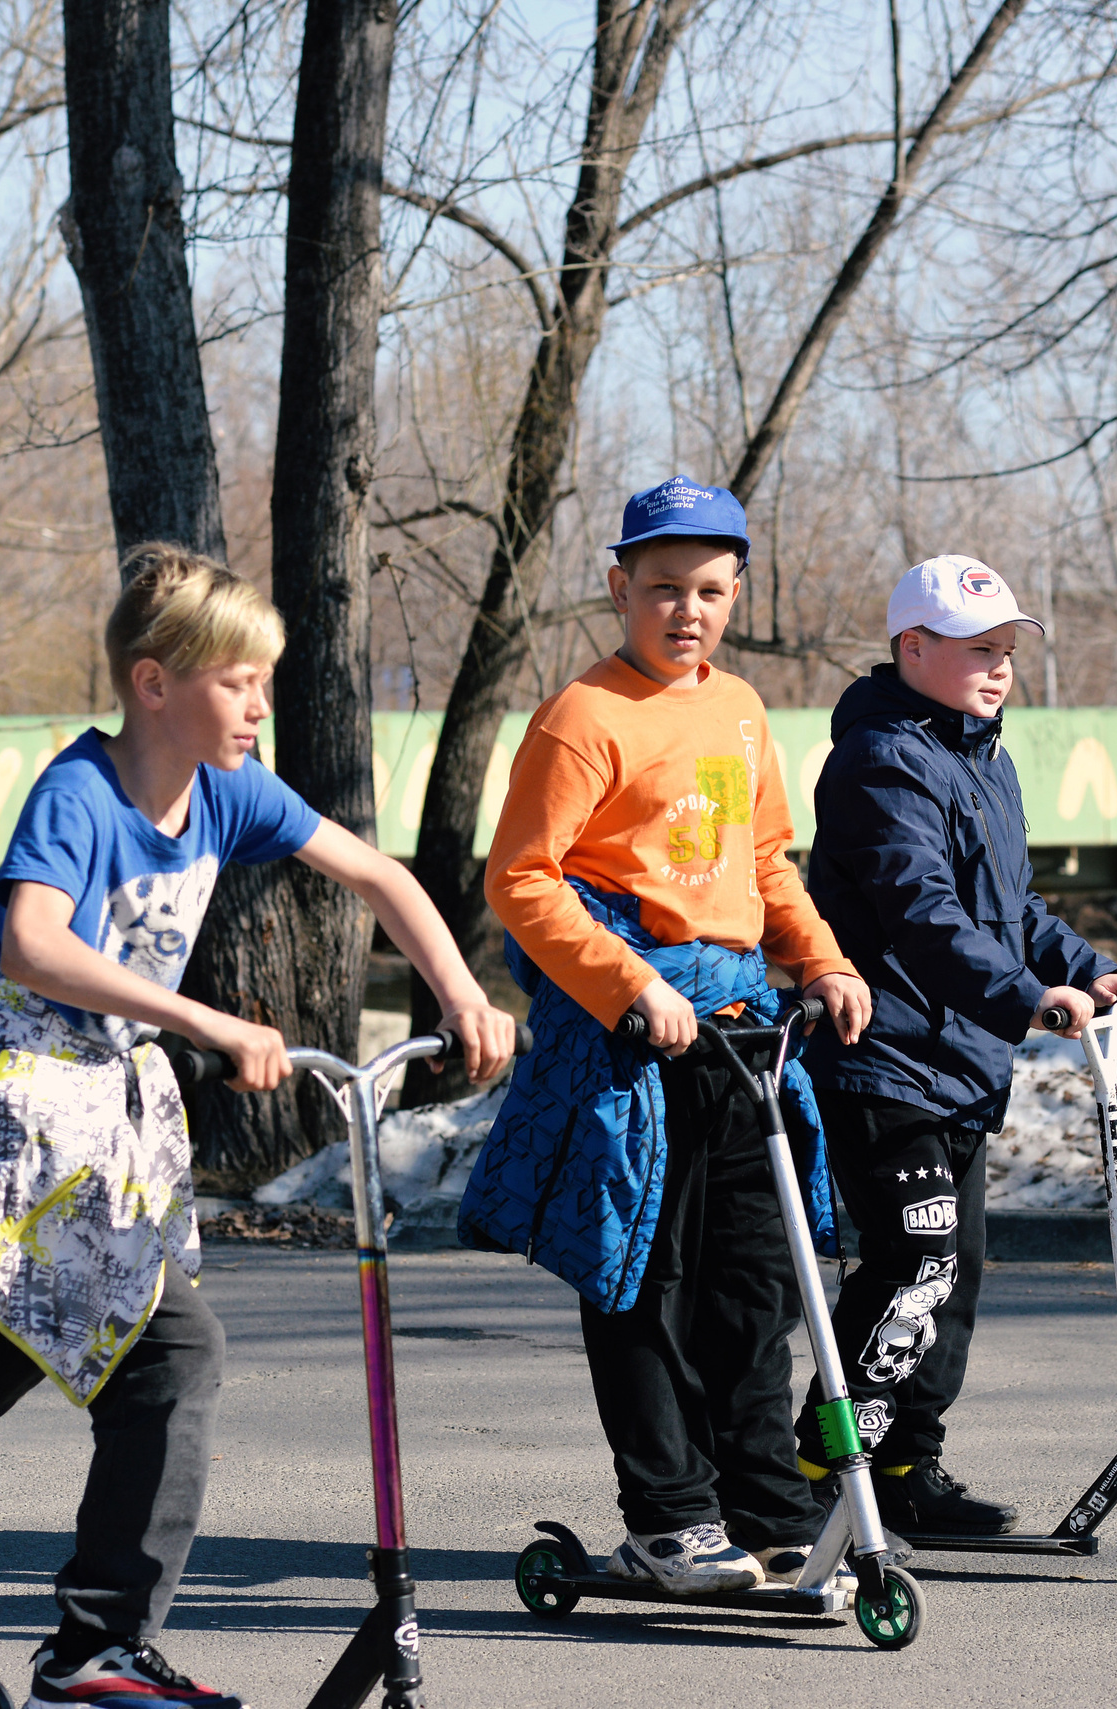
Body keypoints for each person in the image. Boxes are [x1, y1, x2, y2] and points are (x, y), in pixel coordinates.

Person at [0, 546, 516, 1709]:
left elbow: (376, 873)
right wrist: (201, 1015)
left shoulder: (231, 787)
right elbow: (33, 942)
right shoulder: (83, 791)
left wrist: (461, 991)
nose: (260, 706)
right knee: (168, 1353)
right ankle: (94, 1647)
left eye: (266, 682)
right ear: (154, 682)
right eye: (238, 682)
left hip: (111, 1109)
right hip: (30, 1099)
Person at [458, 477, 874, 1595]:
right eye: (659, 589)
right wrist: (626, 981)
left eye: (705, 590)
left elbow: (766, 861)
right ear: (618, 588)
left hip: (742, 1028)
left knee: (751, 1278)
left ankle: (765, 1504)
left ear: (734, 591)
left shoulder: (738, 709)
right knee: (640, 1275)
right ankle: (668, 1516)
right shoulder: (582, 716)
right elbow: (521, 877)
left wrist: (822, 958)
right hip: (632, 1038)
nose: (683, 610)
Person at [793, 554, 1117, 1535]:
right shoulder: (879, 761)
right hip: (884, 1057)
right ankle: (827, 1458)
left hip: (959, 1063)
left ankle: (910, 1462)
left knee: (955, 1272)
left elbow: (1010, 907)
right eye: (977, 651)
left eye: (1005, 651)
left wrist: (1087, 965)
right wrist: (1024, 996)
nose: (999, 669)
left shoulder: (984, 758)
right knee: (916, 1255)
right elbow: (923, 914)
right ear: (912, 648)